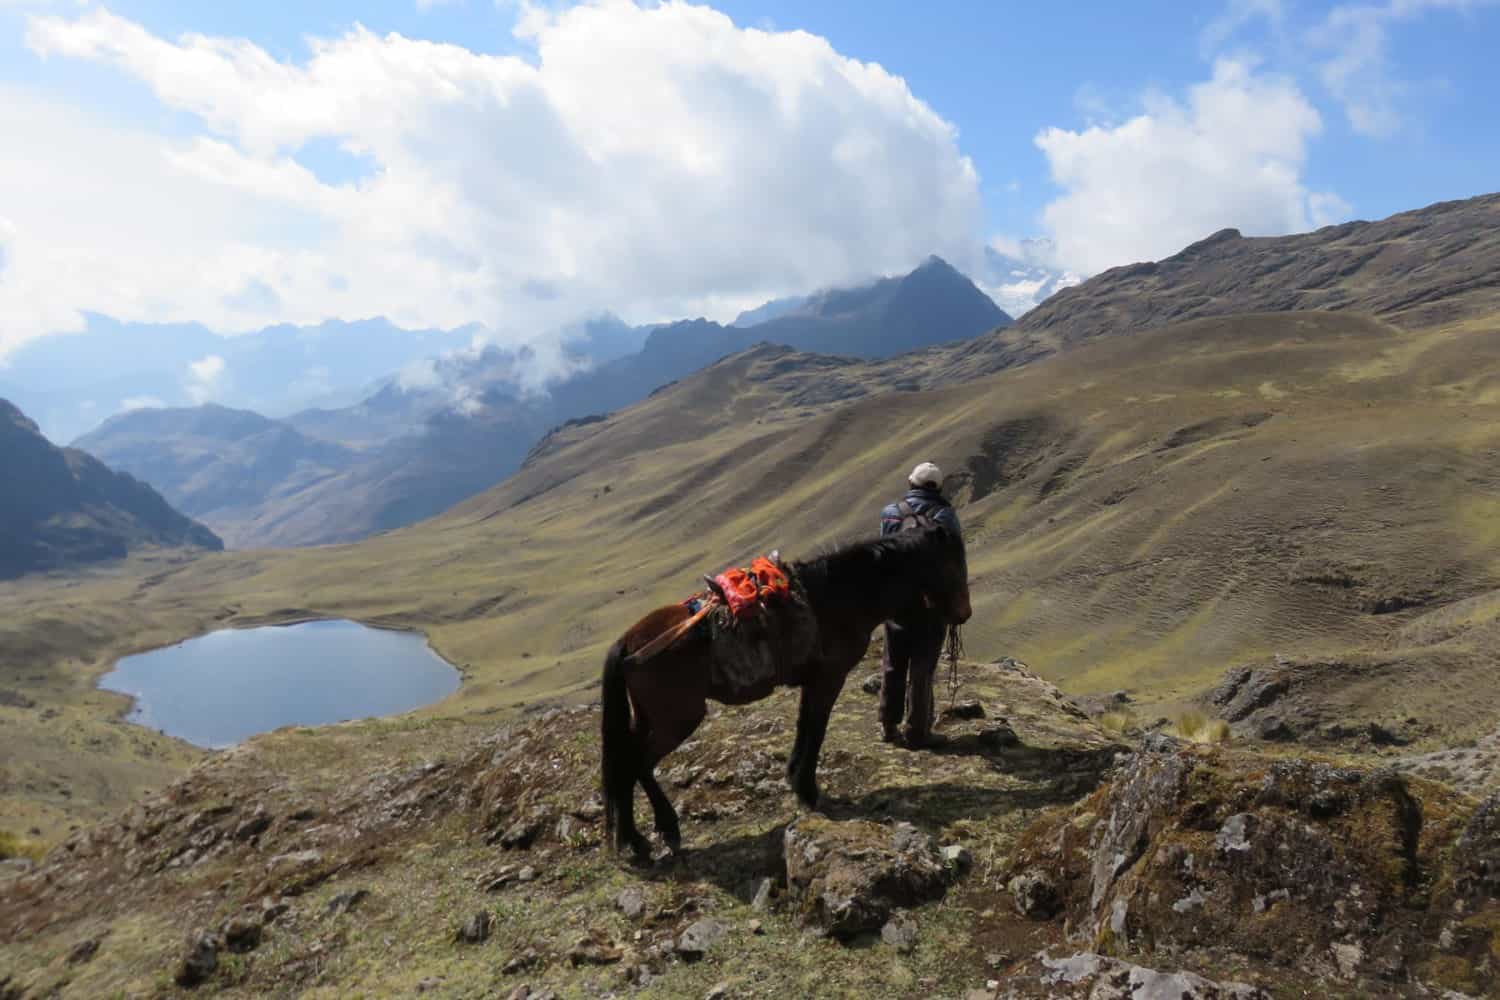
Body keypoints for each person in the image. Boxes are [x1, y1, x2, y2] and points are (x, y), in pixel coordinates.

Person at [878, 461, 962, 748]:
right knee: (923, 668)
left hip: (896, 603)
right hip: (931, 605)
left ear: (911, 483)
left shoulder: (891, 514)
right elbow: (955, 563)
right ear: (937, 488)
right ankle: (918, 731)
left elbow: (883, 558)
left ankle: (889, 727)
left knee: (893, 664)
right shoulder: (946, 516)